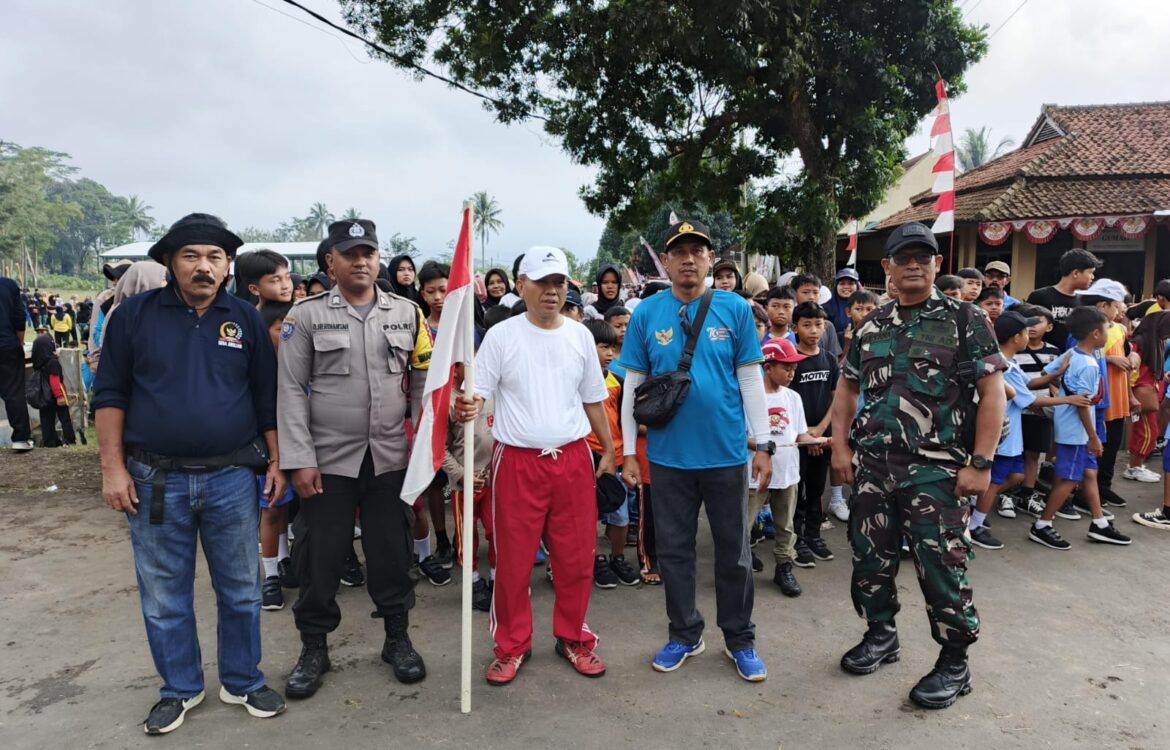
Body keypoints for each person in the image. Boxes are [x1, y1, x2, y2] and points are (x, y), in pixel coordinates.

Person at [93, 213, 286, 734]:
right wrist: (113, 469)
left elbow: (265, 397)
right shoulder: (133, 316)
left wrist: (276, 462)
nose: (204, 266)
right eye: (191, 256)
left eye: (215, 257)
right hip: (154, 479)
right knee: (164, 597)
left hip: (231, 478)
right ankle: (179, 687)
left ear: (228, 266)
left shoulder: (243, 318)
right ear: (169, 263)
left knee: (241, 590)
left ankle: (242, 680)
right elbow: (110, 395)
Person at [278, 219, 464, 699]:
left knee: (392, 553)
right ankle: (314, 648)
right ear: (331, 262)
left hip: (389, 458)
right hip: (327, 461)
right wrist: (298, 459)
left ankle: (397, 640)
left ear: (379, 259)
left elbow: (423, 383)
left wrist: (425, 448)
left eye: (369, 253)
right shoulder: (306, 316)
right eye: (350, 254)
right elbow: (291, 390)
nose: (361, 261)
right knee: (319, 557)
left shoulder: (407, 313)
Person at [830, 221, 1006, 710]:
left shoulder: (966, 319)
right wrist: (841, 447)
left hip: (937, 470)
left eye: (922, 257)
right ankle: (881, 634)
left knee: (940, 564)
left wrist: (982, 463)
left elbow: (992, 393)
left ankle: (954, 660)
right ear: (886, 265)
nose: (913, 265)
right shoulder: (870, 325)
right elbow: (847, 387)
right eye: (903, 258)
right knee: (870, 558)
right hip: (873, 467)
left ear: (937, 264)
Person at [619, 219, 771, 683]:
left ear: (709, 259)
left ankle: (740, 639)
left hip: (726, 454)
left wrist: (764, 444)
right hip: (667, 458)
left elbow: (750, 379)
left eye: (697, 251)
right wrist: (629, 453)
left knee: (734, 553)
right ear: (665, 262)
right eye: (679, 252)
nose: (688, 259)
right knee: (675, 552)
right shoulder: (647, 313)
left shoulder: (735, 308)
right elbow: (633, 386)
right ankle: (684, 634)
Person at [471, 246, 615, 685]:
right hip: (517, 461)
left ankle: (573, 637)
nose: (552, 291)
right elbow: (477, 393)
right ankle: (511, 645)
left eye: (559, 283)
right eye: (542, 282)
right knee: (513, 562)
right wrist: (465, 406)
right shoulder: (501, 336)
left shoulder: (580, 336)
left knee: (576, 557)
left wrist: (610, 450)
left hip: (572, 458)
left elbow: (593, 398)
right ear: (521, 286)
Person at [968, 311, 1087, 549]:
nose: (1028, 334)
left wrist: (1056, 373)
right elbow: (1031, 400)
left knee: (1016, 476)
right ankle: (974, 525)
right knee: (995, 481)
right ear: (1016, 338)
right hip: (1002, 435)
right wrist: (1068, 399)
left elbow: (1030, 383)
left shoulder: (1010, 363)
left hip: (1012, 436)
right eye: (1025, 331)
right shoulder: (1003, 367)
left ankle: (973, 503)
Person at [1029, 306, 1132, 549]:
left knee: (1089, 472)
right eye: (1107, 329)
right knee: (1069, 478)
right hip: (1076, 431)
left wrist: (1064, 382)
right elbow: (1083, 405)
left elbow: (1047, 372)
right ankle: (1042, 525)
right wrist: (1093, 437)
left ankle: (1099, 523)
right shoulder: (1088, 365)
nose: (1108, 333)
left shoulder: (1072, 353)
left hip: (1072, 425)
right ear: (1095, 333)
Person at [748, 338, 824, 597]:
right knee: (744, 522)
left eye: (794, 368)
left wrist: (817, 441)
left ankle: (784, 567)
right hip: (755, 474)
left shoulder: (793, 397)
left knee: (785, 524)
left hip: (787, 472)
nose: (792, 373)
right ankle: (739, 566)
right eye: (786, 367)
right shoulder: (750, 397)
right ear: (768, 368)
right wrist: (761, 445)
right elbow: (739, 436)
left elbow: (799, 434)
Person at [582, 319, 636, 588]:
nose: (610, 354)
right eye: (603, 347)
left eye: (612, 348)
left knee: (621, 515)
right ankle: (595, 560)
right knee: (587, 517)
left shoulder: (618, 382)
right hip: (587, 459)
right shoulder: (575, 382)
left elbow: (627, 420)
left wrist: (628, 456)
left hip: (616, 458)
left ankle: (617, 558)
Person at [789, 302, 838, 568]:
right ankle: (796, 539)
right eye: (806, 325)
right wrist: (805, 436)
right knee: (796, 490)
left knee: (818, 488)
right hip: (796, 440)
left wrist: (820, 430)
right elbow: (786, 400)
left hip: (822, 437)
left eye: (818, 324)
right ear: (795, 328)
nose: (813, 330)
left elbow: (836, 399)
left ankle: (813, 535)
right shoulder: (791, 359)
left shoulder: (830, 360)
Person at [258, 301, 297, 611]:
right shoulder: (259, 369)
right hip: (270, 452)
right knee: (271, 509)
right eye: (280, 329)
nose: (287, 335)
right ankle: (270, 575)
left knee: (286, 507)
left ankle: (284, 558)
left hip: (298, 447)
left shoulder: (298, 363)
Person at [1027, 248, 1102, 349]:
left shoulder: (1084, 301)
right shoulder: (1040, 296)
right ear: (1075, 273)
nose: (1092, 277)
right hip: (1044, 356)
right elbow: (1026, 329)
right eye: (1090, 272)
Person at [0, 275, 33, 452]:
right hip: (7, 345)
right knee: (14, 392)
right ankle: (20, 438)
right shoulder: (7, 285)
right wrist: (19, 342)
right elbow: (19, 317)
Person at [30, 334, 77, 447]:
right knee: (64, 418)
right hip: (56, 395)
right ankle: (69, 440)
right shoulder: (53, 363)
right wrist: (59, 396)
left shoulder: (38, 363)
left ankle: (50, 442)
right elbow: (54, 380)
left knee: (46, 420)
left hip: (44, 397)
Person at [822, 268, 860, 347]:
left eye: (850, 283)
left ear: (857, 286)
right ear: (836, 286)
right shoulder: (826, 308)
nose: (846, 287)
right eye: (842, 283)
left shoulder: (866, 306)